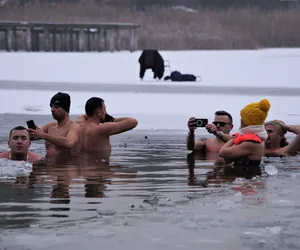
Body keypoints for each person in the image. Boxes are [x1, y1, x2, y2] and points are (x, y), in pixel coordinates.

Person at [219, 99, 270, 178]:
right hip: (247, 181)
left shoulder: (251, 143)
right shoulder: (256, 139)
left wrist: (234, 139)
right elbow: (228, 159)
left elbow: (223, 153)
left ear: (245, 122)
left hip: (248, 184)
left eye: (242, 118)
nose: (240, 120)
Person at [28, 92, 81, 158]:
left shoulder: (74, 126)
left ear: (65, 108)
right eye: (51, 107)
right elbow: (31, 137)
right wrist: (31, 133)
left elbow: (70, 143)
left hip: (65, 167)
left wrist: (44, 135)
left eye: (56, 107)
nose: (52, 110)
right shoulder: (50, 126)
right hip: (48, 165)